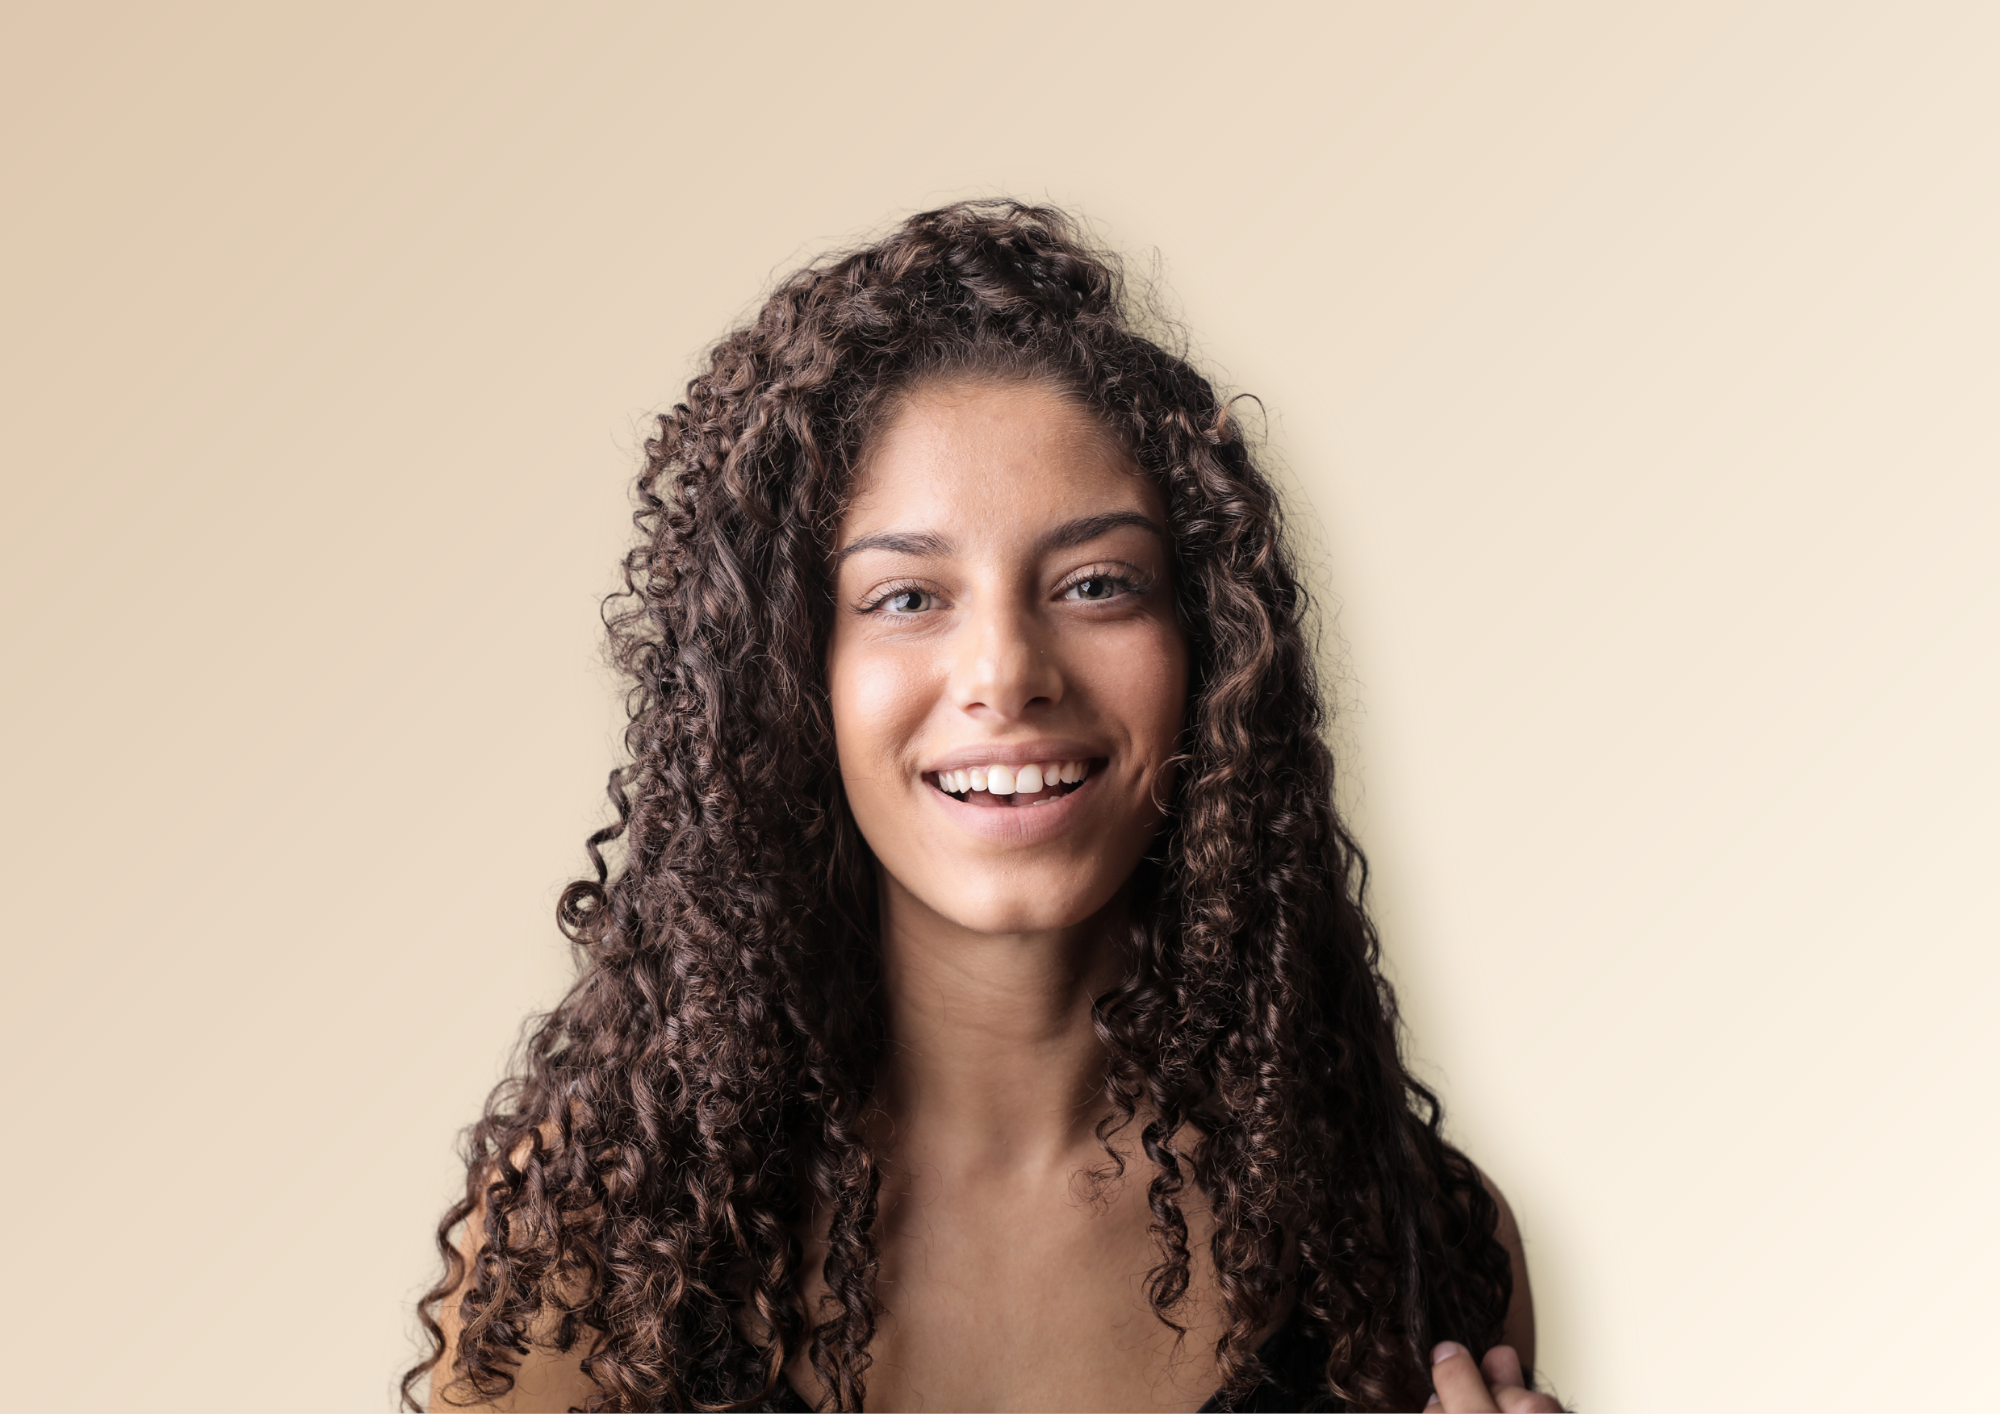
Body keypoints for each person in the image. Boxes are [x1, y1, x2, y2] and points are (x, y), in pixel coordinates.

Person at [405, 202, 1560, 1413]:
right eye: (906, 597)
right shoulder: (594, 1241)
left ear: (1210, 653)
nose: (1006, 671)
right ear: (790, 680)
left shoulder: (1406, 1236)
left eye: (1097, 584)